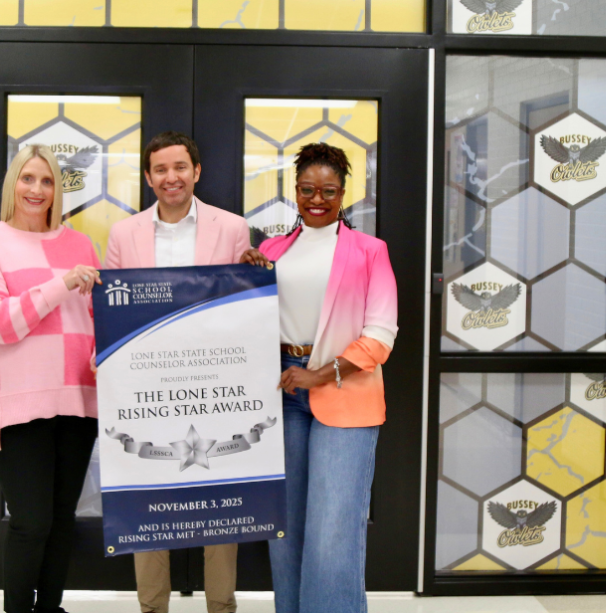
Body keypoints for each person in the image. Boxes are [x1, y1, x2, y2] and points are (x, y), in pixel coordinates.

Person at [240, 143, 398, 613]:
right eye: (307, 189)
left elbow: (380, 335)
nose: (317, 199)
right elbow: (249, 322)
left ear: (343, 193)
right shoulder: (271, 250)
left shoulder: (370, 251)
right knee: (286, 532)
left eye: (328, 190)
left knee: (332, 535)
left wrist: (320, 375)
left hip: (345, 395)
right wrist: (244, 281)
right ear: (295, 190)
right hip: (282, 399)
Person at [105, 131, 250, 613]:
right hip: (146, 387)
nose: (172, 177)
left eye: (180, 167)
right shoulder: (123, 234)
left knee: (220, 503)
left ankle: (221, 606)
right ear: (148, 178)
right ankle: (152, 608)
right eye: (161, 169)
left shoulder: (231, 228)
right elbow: (107, 311)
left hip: (215, 386)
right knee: (147, 496)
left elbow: (243, 308)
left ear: (197, 171)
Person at [0, 144, 102, 613]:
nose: (37, 190)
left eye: (47, 181)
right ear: (12, 184)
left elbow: (92, 322)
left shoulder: (80, 245)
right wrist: (59, 284)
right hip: (17, 403)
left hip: (79, 400)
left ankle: (51, 609)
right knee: (31, 522)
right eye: (28, 179)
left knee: (62, 519)